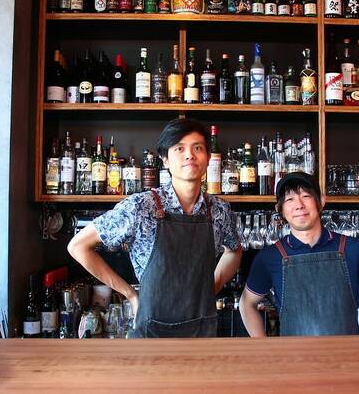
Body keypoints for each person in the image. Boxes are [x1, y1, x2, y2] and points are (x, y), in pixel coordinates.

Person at [68, 119, 242, 338]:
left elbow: (234, 250)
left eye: (198, 148)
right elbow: (78, 246)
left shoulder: (219, 210)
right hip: (151, 335)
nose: (190, 155)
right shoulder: (141, 207)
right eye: (180, 148)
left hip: (203, 333)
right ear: (165, 160)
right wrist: (130, 294)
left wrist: (212, 287)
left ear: (208, 158)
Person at [239, 172, 359, 337]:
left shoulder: (354, 249)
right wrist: (263, 347)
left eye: (306, 196)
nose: (299, 205)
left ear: (321, 201)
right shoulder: (270, 257)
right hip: (292, 360)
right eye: (290, 199)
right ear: (280, 209)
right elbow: (247, 304)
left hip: (346, 358)